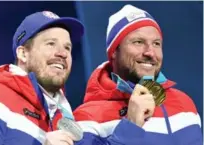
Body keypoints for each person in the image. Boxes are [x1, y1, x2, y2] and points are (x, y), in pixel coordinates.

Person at [0, 10, 141, 145]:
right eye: (50, 44)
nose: (62, 53)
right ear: (23, 53)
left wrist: (132, 124)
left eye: (67, 47)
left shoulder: (63, 114)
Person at [72, 4, 203, 145]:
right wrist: (131, 125)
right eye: (138, 42)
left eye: (156, 44)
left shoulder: (185, 104)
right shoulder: (87, 117)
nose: (150, 52)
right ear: (114, 52)